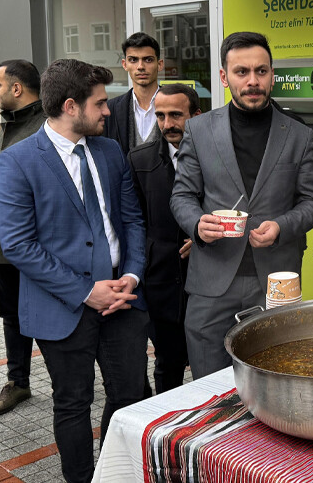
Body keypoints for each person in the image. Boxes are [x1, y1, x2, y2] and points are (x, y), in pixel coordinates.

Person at [0, 59, 148, 483]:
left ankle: (114, 472)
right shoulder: (16, 162)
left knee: (130, 396)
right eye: (99, 103)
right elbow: (18, 245)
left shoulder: (110, 150)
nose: (108, 111)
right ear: (70, 106)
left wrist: (131, 276)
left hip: (124, 298)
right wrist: (85, 292)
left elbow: (132, 220)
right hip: (63, 308)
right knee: (73, 403)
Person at [171, 31, 313, 379]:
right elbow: (181, 195)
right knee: (208, 389)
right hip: (211, 281)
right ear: (224, 77)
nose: (252, 81)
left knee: (274, 380)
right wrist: (197, 225)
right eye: (242, 72)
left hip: (275, 282)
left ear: (272, 74)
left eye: (261, 71)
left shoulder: (299, 134)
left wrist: (282, 226)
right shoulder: (198, 130)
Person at [128, 83, 200, 393]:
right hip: (160, 281)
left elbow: (234, 208)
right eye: (160, 115)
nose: (167, 124)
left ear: (196, 115)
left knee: (207, 364)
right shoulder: (140, 159)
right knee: (167, 364)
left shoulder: (217, 156)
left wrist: (204, 238)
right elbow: (133, 220)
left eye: (176, 115)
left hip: (206, 279)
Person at [0, 59, 46, 416]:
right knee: (11, 313)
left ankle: (71, 383)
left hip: (37, 245)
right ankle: (18, 382)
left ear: (16, 88)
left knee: (46, 313)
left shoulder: (46, 127)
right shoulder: (2, 126)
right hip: (2, 245)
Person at [103, 32, 163, 155]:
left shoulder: (176, 105)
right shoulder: (110, 110)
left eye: (148, 59)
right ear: (125, 64)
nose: (140, 66)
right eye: (133, 60)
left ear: (160, 64)